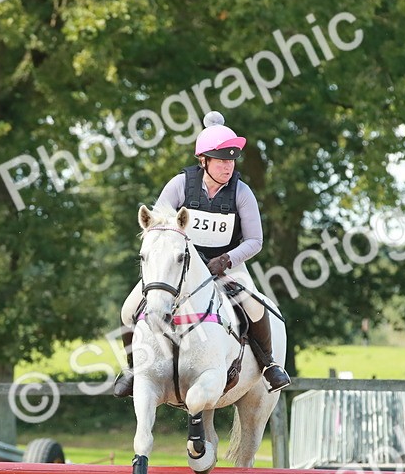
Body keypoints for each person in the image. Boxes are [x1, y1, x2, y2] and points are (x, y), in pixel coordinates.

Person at [113, 111, 291, 398]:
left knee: (255, 306)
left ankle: (269, 363)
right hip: (178, 267)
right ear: (204, 160)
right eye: (221, 160)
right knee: (128, 308)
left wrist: (227, 260)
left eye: (231, 160)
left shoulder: (241, 193)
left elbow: (255, 240)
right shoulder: (181, 184)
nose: (228, 166)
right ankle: (134, 368)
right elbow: (157, 225)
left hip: (226, 265)